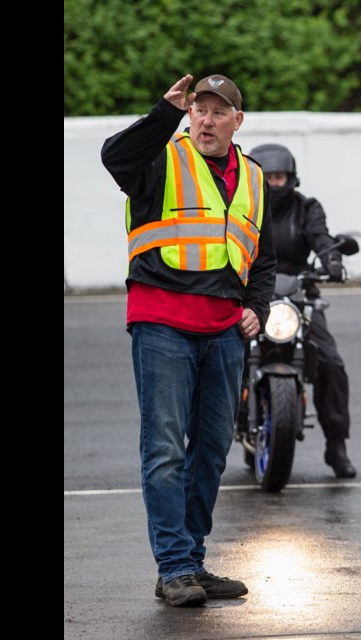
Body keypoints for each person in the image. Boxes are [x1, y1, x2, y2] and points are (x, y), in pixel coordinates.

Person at [101, 74, 277, 607]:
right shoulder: (158, 159)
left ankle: (192, 561)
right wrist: (163, 112)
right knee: (164, 451)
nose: (206, 119)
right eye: (199, 110)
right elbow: (114, 156)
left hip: (224, 330)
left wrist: (257, 309)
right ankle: (174, 566)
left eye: (218, 112)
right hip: (162, 324)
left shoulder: (252, 176)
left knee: (211, 453)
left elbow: (261, 259)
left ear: (236, 121)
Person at [246, 143, 356, 478]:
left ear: (291, 179)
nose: (274, 184)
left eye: (280, 177)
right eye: (267, 178)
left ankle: (336, 445)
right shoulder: (243, 205)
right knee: (215, 353)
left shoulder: (306, 207)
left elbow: (320, 238)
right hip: (250, 294)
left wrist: (332, 260)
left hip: (298, 293)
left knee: (331, 363)